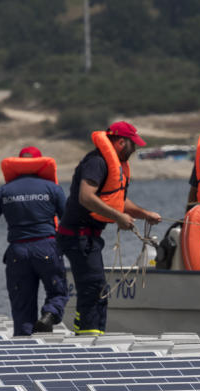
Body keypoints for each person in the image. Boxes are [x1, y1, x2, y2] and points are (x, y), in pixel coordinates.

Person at [56, 121, 161, 336]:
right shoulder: (97, 163)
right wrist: (119, 217)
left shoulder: (112, 165)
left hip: (89, 238)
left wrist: (143, 214)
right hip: (78, 236)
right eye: (134, 145)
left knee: (94, 288)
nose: (136, 150)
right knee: (95, 288)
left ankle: (88, 335)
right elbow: (86, 197)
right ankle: (89, 340)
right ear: (121, 142)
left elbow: (116, 201)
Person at [0, 146, 68, 336]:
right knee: (58, 292)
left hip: (17, 251)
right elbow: (67, 221)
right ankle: (50, 314)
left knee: (22, 304)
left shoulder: (4, 191)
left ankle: (25, 342)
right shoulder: (53, 189)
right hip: (47, 246)